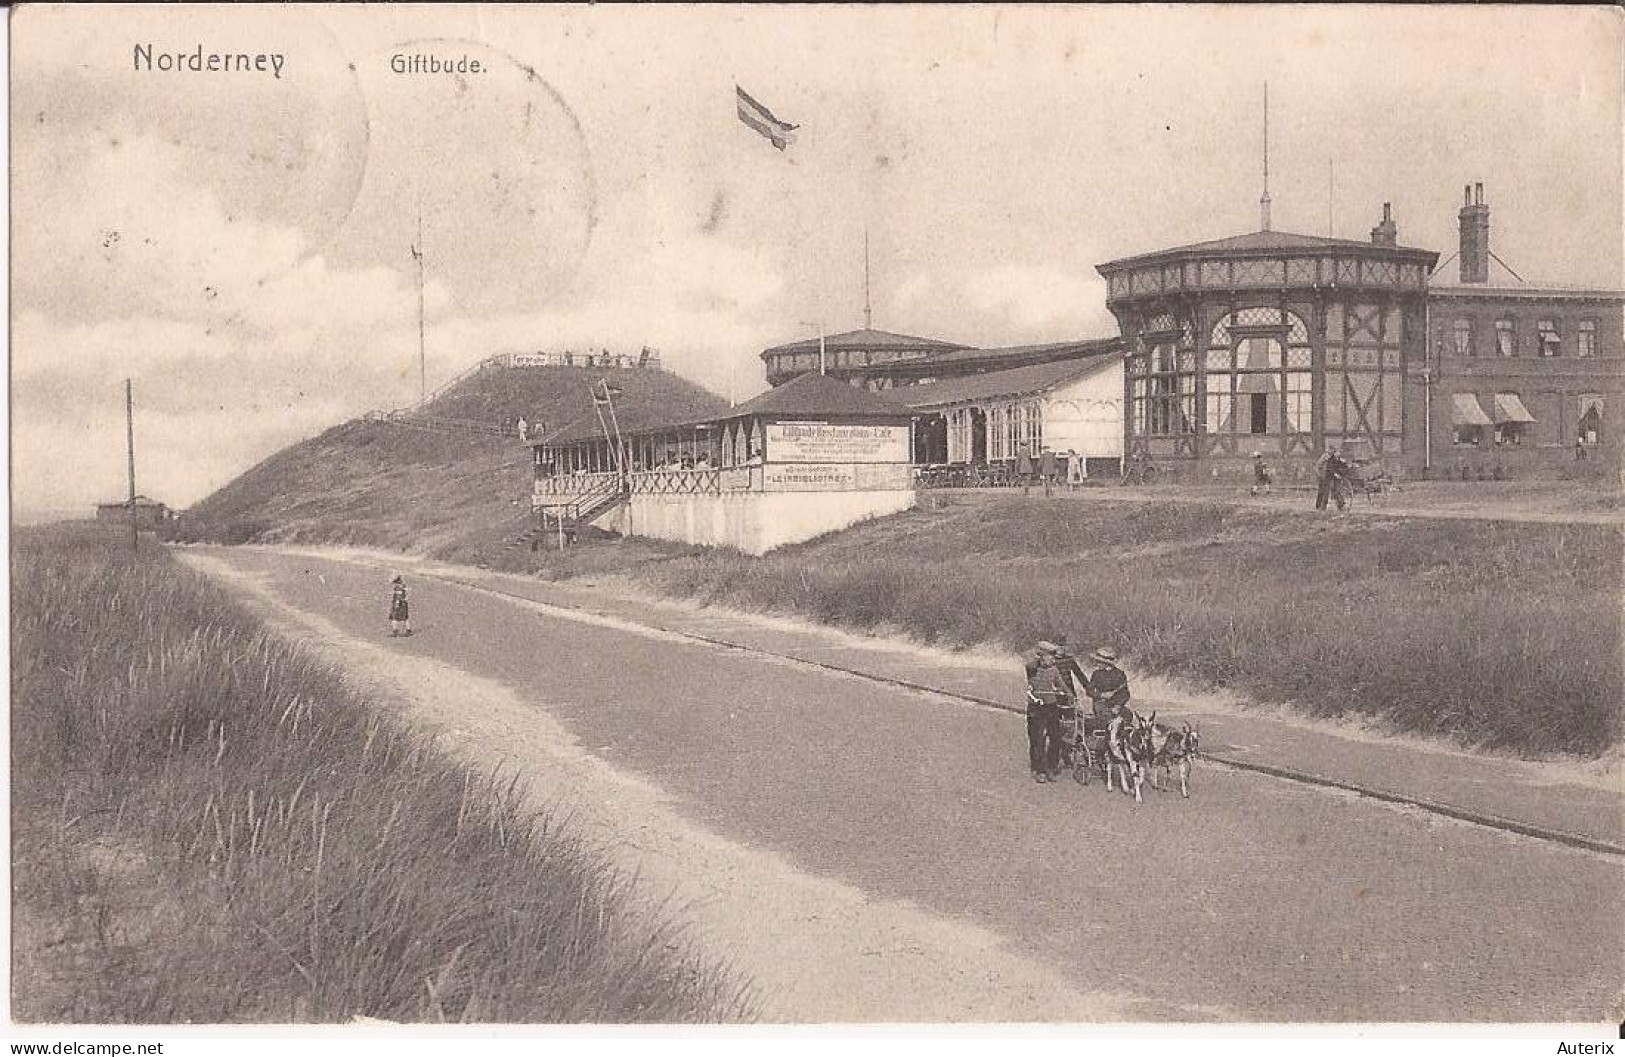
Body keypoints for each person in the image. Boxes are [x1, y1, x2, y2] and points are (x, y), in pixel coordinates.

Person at [1023, 640, 1070, 782]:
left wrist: (1070, 695)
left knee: (1056, 737)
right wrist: (1037, 657)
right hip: (1036, 708)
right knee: (1038, 738)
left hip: (1051, 706)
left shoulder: (1054, 670)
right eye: (1050, 656)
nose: (1053, 660)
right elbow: (1029, 663)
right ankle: (1039, 769)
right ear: (1042, 656)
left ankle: (1051, 766)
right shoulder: (1033, 669)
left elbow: (1061, 684)